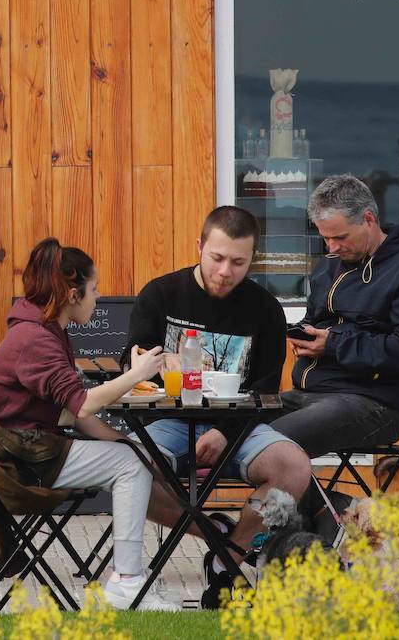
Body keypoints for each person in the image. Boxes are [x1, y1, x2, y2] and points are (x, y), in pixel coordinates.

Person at [127, 205, 312, 608]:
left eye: (238, 262)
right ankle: (215, 533)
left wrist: (226, 433)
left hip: (241, 424)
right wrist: (157, 361)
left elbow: (266, 390)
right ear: (199, 246)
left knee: (294, 466)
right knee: (126, 469)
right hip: (169, 418)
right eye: (217, 258)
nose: (226, 271)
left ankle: (229, 559)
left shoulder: (265, 309)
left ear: (252, 260)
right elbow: (133, 358)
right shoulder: (161, 294)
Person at [0, 238, 178, 611]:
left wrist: (127, 443)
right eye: (95, 288)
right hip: (18, 460)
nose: (98, 297)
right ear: (73, 293)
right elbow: (83, 403)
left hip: (26, 448)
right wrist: (135, 376)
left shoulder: (43, 329)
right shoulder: (35, 339)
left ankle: (129, 577)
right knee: (131, 466)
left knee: (134, 457)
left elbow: (75, 414)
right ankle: (127, 582)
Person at [275, 174, 399, 461]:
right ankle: (337, 506)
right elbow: (316, 322)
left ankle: (329, 506)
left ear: (368, 219)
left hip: (375, 404)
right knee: (230, 431)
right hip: (308, 392)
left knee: (268, 443)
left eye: (340, 237)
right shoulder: (328, 265)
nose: (332, 248)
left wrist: (332, 344)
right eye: (325, 238)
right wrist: (305, 337)